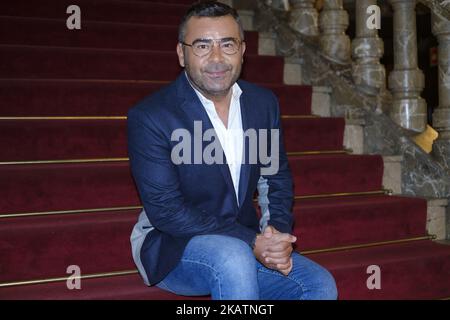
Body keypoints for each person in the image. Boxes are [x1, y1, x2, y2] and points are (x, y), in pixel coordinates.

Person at [128, 1, 337, 300]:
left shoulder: (263, 103)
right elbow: (166, 211)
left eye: (227, 44)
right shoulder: (151, 116)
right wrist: (251, 241)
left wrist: (274, 235)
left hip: (244, 240)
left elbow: (274, 177)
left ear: (242, 50)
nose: (216, 58)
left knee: (318, 284)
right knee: (233, 257)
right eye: (202, 46)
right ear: (181, 54)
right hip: (172, 245)